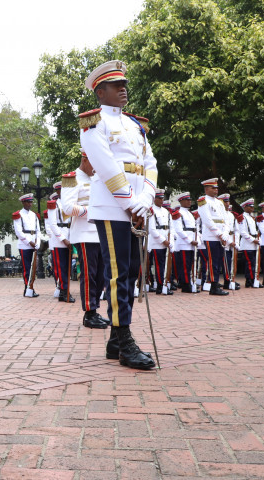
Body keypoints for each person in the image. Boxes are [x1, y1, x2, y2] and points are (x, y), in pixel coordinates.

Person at [79, 59, 156, 370]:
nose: (123, 89)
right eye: (116, 86)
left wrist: (146, 199)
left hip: (136, 205)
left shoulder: (135, 125)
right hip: (112, 207)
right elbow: (107, 167)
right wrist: (131, 204)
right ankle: (124, 340)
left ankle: (114, 340)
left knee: (132, 271)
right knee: (118, 274)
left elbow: (150, 164)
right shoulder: (94, 124)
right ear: (100, 92)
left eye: (124, 84)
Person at [59, 151, 111, 329]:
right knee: (89, 275)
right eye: (94, 163)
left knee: (100, 275)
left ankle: (95, 310)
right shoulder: (72, 179)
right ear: (85, 160)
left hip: (100, 233)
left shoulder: (97, 178)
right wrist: (92, 211)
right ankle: (89, 313)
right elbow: (67, 207)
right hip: (84, 234)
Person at [13, 194, 41, 297]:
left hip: (34, 244)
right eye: (28, 202)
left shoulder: (34, 215)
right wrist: (30, 242)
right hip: (24, 245)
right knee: (27, 268)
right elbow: (19, 232)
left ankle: (30, 288)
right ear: (23, 202)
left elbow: (38, 230)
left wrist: (37, 242)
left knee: (33, 269)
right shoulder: (18, 215)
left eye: (31, 202)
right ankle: (28, 288)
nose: (30, 204)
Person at [172, 192, 198, 293]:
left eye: (190, 200)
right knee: (184, 266)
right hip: (183, 243)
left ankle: (189, 283)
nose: (189, 202)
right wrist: (190, 241)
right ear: (181, 201)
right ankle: (186, 285)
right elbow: (179, 230)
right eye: (187, 200)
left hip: (191, 243)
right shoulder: (178, 213)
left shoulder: (190, 214)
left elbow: (194, 229)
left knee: (189, 265)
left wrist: (196, 240)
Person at [147, 189, 172, 295]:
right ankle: (160, 285)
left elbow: (170, 228)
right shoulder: (151, 210)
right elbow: (152, 229)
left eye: (162, 198)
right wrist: (163, 240)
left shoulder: (166, 211)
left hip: (166, 241)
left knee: (164, 265)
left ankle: (163, 284)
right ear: (154, 199)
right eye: (159, 198)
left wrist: (169, 241)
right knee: (158, 265)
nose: (162, 200)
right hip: (156, 242)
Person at [236, 199, 261, 287]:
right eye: (250, 207)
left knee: (254, 263)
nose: (252, 208)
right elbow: (242, 232)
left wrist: (257, 239)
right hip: (247, 244)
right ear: (245, 207)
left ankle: (252, 280)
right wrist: (252, 240)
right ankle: (250, 280)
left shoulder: (251, 218)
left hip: (254, 243)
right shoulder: (242, 217)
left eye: (252, 206)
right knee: (250, 263)